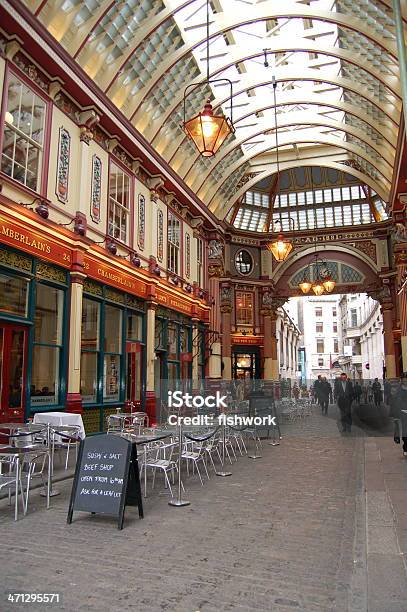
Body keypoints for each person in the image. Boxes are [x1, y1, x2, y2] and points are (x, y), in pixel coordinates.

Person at [389, 374, 407, 456]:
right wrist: (395, 416)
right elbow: (394, 403)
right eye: (404, 380)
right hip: (402, 413)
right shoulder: (397, 390)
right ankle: (405, 447)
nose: (405, 382)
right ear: (402, 380)